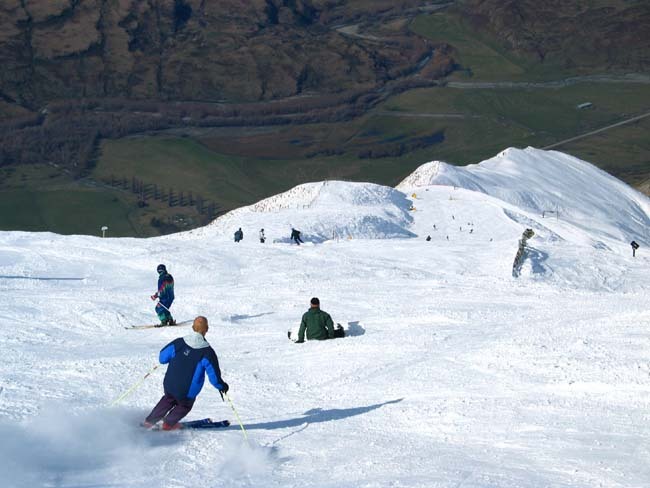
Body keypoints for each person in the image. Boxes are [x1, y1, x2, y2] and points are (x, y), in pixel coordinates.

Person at [143, 316, 229, 430]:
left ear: (193, 327)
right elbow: (214, 378)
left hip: (170, 384)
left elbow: (162, 358)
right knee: (184, 405)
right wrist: (222, 386)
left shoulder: (178, 343)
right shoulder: (208, 352)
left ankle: (149, 421)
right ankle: (168, 423)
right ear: (207, 329)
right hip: (187, 392)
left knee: (168, 399)